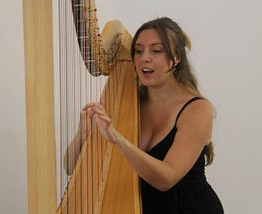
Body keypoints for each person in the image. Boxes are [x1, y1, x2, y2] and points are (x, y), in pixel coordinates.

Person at [83, 17, 224, 213]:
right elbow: (68, 165)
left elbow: (166, 179)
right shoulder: (126, 103)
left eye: (156, 51)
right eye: (139, 51)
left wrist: (117, 138)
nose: (144, 58)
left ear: (176, 59)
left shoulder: (197, 109)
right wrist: (85, 130)